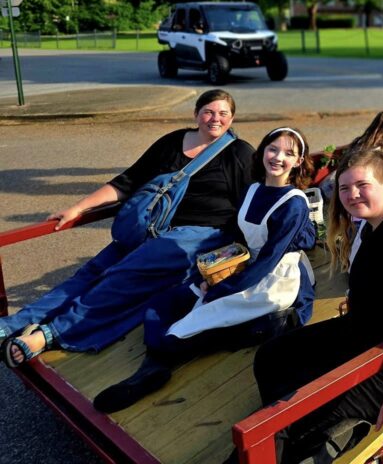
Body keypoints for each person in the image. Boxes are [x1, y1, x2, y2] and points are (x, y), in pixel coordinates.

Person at [0, 90, 254, 367]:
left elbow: (253, 203)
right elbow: (128, 181)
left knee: (119, 278)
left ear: (232, 118)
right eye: (208, 112)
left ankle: (50, 334)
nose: (215, 119)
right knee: (92, 272)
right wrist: (79, 208)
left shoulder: (239, 153)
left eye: (223, 114)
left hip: (195, 237)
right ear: (196, 114)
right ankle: (13, 323)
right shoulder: (173, 142)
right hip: (152, 229)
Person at [248, 149, 383, 463]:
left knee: (288, 421)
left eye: (362, 185)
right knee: (271, 357)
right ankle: (301, 426)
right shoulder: (377, 224)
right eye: (345, 188)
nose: (352, 195)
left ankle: (297, 438)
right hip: (370, 333)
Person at [93, 127, 317, 413]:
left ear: (298, 161)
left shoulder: (294, 204)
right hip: (241, 266)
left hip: (271, 281)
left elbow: (269, 259)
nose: (278, 157)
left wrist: (222, 288)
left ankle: (153, 368)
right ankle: (155, 366)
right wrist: (211, 273)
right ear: (262, 151)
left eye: (289, 153)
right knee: (164, 303)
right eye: (273, 149)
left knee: (195, 323)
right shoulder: (253, 189)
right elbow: (237, 238)